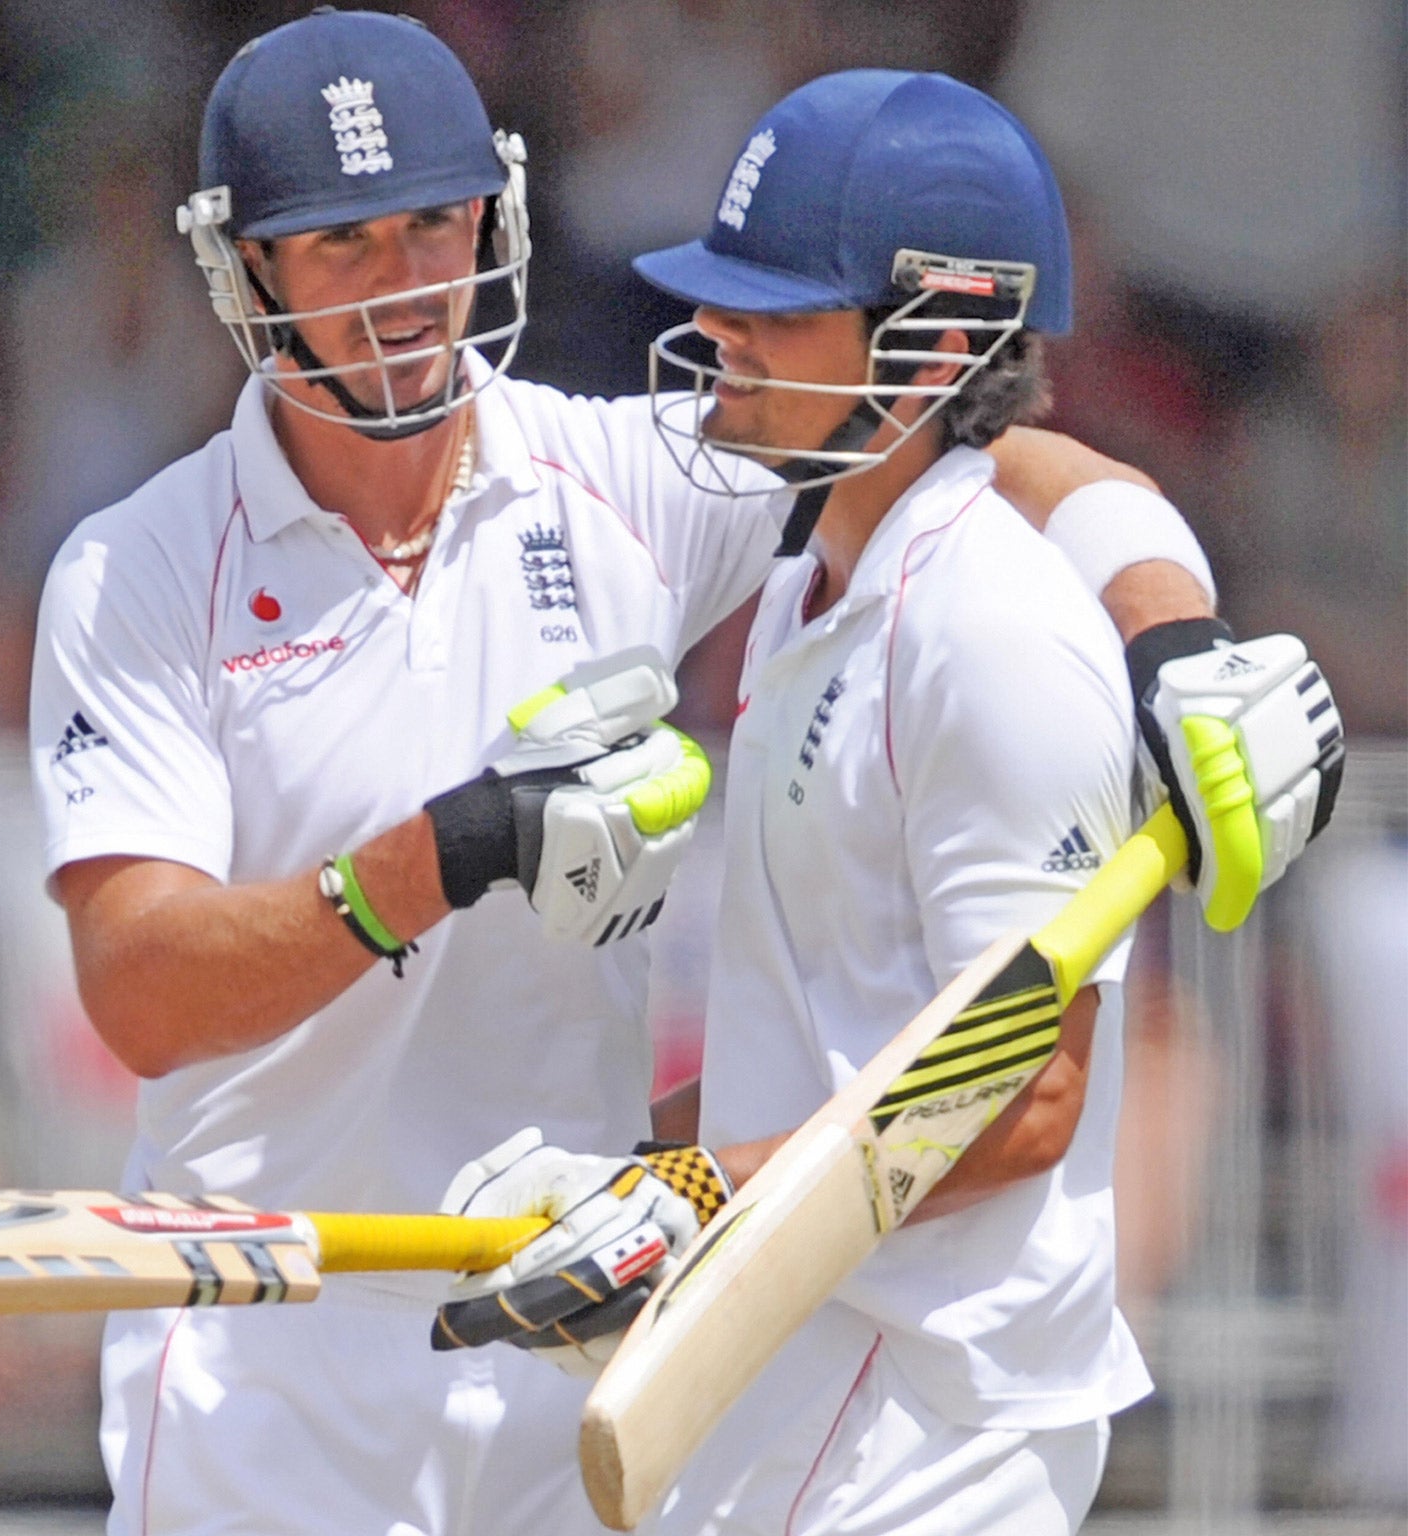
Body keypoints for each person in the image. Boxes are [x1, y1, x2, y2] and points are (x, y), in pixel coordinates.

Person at [30, 18, 1326, 1535]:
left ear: (492, 218)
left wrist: (1170, 633)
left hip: (562, 1334)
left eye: (430, 228)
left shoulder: (624, 483)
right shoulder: (139, 570)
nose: (398, 291)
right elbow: (141, 992)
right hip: (265, 1370)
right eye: (337, 249)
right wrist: (454, 850)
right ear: (249, 270)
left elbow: (978, 447)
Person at [432, 70, 1346, 1536]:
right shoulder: (813, 573)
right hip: (809, 1384)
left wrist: (698, 1190)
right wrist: (639, 1163)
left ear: (927, 349)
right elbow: (835, 1038)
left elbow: (1026, 1099)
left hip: (936, 1426)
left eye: (773, 309)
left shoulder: (989, 633)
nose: (716, 336)